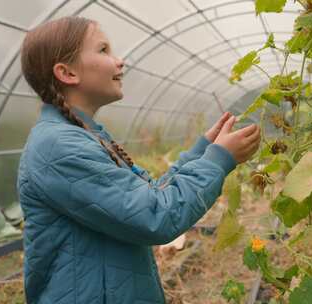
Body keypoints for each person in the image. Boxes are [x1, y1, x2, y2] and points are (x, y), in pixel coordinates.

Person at [17, 16, 261, 304]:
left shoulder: (82, 135)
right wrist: (218, 159)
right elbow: (155, 216)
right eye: (104, 50)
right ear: (67, 72)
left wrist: (204, 149)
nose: (119, 61)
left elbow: (148, 196)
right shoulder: (58, 147)